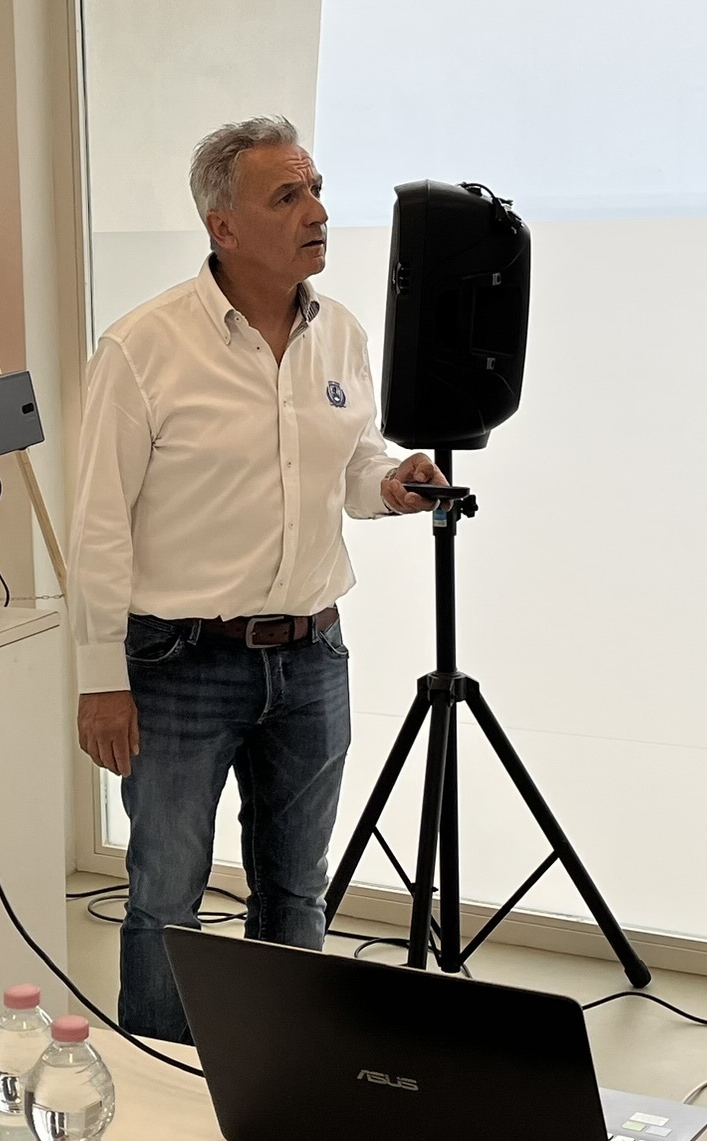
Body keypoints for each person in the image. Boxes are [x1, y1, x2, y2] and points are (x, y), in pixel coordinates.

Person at [67, 117, 443, 1043]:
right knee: (167, 897)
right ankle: (164, 1085)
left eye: (316, 190)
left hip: (312, 657)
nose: (317, 212)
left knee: (297, 890)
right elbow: (97, 525)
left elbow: (350, 467)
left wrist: (391, 483)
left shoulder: (341, 333)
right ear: (223, 226)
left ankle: (283, 1081)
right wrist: (99, 678)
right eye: (287, 196)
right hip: (180, 663)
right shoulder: (142, 348)